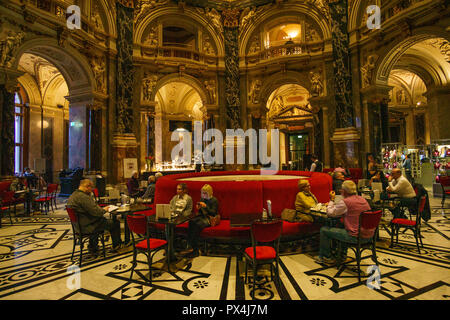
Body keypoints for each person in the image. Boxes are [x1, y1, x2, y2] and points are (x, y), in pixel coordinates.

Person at [315, 180, 372, 265]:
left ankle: (326, 257)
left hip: (355, 236)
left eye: (341, 189)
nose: (341, 191)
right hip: (369, 235)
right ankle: (342, 255)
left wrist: (332, 200)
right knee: (342, 226)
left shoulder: (346, 202)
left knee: (324, 230)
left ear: (344, 191)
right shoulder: (363, 199)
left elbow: (330, 213)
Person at [67, 179, 123, 255]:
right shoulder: (83, 197)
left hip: (79, 226)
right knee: (115, 223)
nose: (91, 190)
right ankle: (117, 245)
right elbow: (97, 212)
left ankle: (93, 247)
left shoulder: (74, 195)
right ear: (87, 187)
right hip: (88, 226)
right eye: (91, 188)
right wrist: (105, 209)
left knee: (100, 220)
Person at [181, 184, 219, 258]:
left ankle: (194, 248)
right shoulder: (202, 199)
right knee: (191, 222)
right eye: (202, 193)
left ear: (210, 192)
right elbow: (201, 213)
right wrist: (199, 208)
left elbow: (213, 212)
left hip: (210, 218)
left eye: (205, 193)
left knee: (196, 225)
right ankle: (191, 246)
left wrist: (206, 206)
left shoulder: (214, 200)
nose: (203, 195)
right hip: (202, 217)